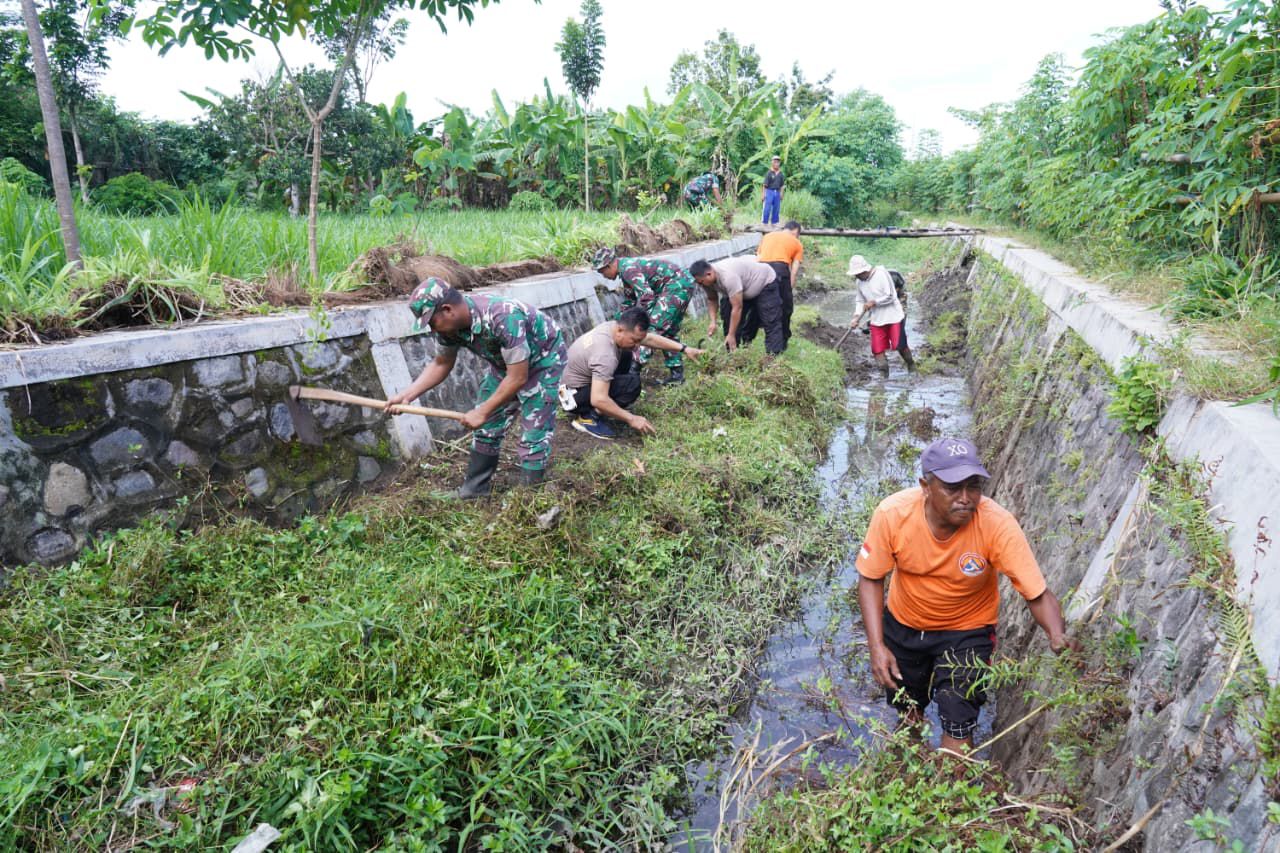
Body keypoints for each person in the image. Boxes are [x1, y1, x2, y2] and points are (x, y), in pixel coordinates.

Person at [856, 437, 1072, 755]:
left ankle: (952, 795)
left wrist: (1056, 635)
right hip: (904, 625)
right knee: (907, 707)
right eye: (952, 487)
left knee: (958, 717)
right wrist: (877, 646)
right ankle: (906, 769)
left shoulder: (996, 524)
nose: (965, 498)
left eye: (973, 486)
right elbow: (871, 578)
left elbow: (1036, 593)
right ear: (925, 486)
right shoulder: (893, 515)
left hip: (967, 631)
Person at [386, 278, 567, 497]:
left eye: (432, 322)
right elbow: (441, 363)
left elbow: (519, 377)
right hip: (505, 366)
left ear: (447, 309)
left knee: (534, 430)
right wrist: (406, 396)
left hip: (543, 361)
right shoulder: (448, 328)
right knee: (487, 426)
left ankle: (529, 498)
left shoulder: (502, 316)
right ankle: (474, 490)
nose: (432, 329)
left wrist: (482, 411)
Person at [559, 307, 705, 440]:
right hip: (573, 398)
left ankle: (607, 407)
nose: (637, 345)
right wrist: (632, 419)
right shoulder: (605, 354)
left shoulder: (612, 328)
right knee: (632, 385)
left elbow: (649, 339)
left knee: (626, 353)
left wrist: (684, 349)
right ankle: (588, 418)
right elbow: (598, 399)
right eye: (634, 340)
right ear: (620, 330)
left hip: (572, 386)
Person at [591, 247, 695, 386]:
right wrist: (617, 321)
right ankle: (677, 375)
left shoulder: (628, 270)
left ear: (609, 265)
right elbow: (630, 301)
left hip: (676, 285)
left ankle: (633, 371)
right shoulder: (625, 271)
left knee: (652, 329)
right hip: (681, 283)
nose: (603, 276)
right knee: (667, 330)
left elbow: (647, 296)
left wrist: (640, 321)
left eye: (602, 271)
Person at [689, 257, 785, 355]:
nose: (700, 285)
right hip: (741, 289)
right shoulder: (706, 282)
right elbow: (712, 299)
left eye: (701, 282)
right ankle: (732, 354)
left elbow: (737, 307)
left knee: (770, 321)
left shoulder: (728, 277)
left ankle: (773, 357)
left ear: (709, 273)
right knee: (727, 315)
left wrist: (731, 334)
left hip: (764, 282)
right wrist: (713, 322)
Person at [848, 254, 915, 376]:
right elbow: (860, 301)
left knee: (899, 345)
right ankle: (883, 377)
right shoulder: (859, 282)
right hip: (877, 319)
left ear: (865, 270)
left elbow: (890, 296)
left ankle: (911, 364)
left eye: (858, 273)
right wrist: (856, 316)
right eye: (855, 274)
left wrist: (874, 302)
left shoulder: (881, 274)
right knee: (877, 349)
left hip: (893, 316)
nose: (856, 276)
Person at [756, 220, 803, 345]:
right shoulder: (797, 243)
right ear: (795, 232)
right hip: (780, 270)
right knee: (785, 307)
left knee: (765, 306)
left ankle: (751, 337)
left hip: (761, 271)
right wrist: (789, 289)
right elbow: (794, 270)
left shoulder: (766, 237)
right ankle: (783, 339)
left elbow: (758, 257)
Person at [761, 155, 784, 225]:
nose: (776, 164)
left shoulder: (781, 174)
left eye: (778, 162)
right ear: (772, 163)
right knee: (767, 208)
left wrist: (781, 194)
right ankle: (765, 222)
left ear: (779, 163)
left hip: (777, 192)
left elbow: (782, 185)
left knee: (776, 209)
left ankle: (774, 223)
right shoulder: (769, 173)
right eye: (775, 162)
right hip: (769, 192)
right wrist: (763, 195)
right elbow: (764, 185)